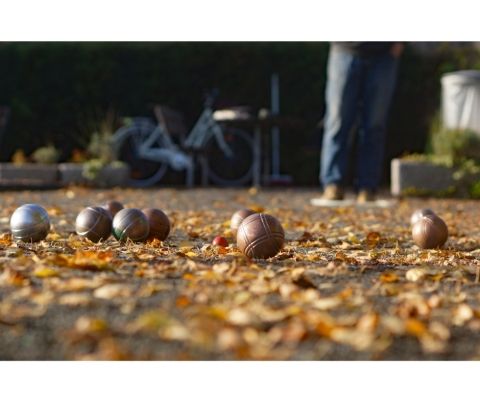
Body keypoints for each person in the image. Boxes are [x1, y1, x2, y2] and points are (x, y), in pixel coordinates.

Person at [320, 42, 403, 202]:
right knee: (338, 121)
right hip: (344, 49)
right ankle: (333, 183)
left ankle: (368, 186)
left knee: (374, 124)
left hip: (384, 54)